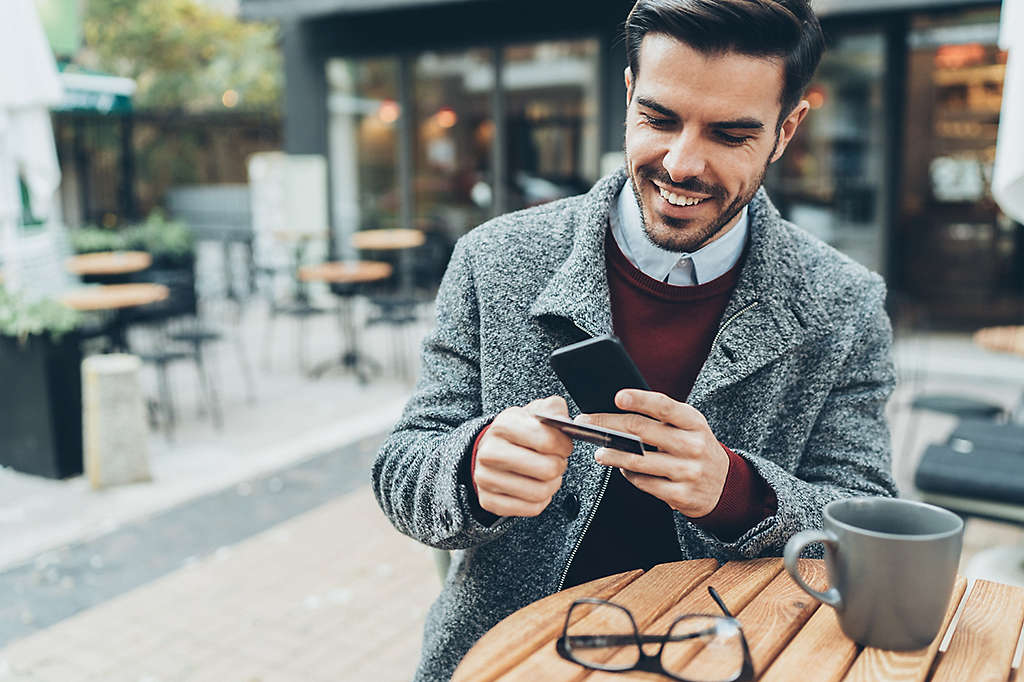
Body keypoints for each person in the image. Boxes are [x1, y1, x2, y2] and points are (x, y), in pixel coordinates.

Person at [373, 1, 898, 679]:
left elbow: (865, 529)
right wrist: (471, 467)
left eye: (731, 135)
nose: (682, 164)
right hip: (506, 659)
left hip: (733, 658)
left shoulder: (845, 304)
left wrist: (737, 493)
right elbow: (401, 474)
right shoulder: (494, 259)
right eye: (659, 119)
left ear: (786, 130)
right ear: (627, 96)